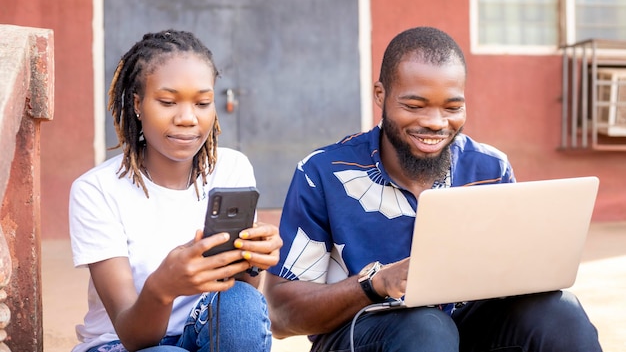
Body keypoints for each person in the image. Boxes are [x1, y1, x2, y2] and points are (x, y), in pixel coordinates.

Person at [263, 26, 602, 352]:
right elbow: (281, 316)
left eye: (453, 108)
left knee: (561, 313)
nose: (436, 123)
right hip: (363, 334)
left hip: (462, 332)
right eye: (415, 106)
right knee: (426, 327)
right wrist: (374, 284)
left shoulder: (489, 168)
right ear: (380, 95)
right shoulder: (324, 173)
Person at [69, 29, 282, 352]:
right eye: (168, 102)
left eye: (202, 103)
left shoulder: (231, 169)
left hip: (201, 330)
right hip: (121, 344)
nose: (187, 118)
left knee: (242, 302)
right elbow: (134, 335)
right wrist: (162, 287)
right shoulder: (96, 190)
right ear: (138, 104)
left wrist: (253, 260)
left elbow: (239, 300)